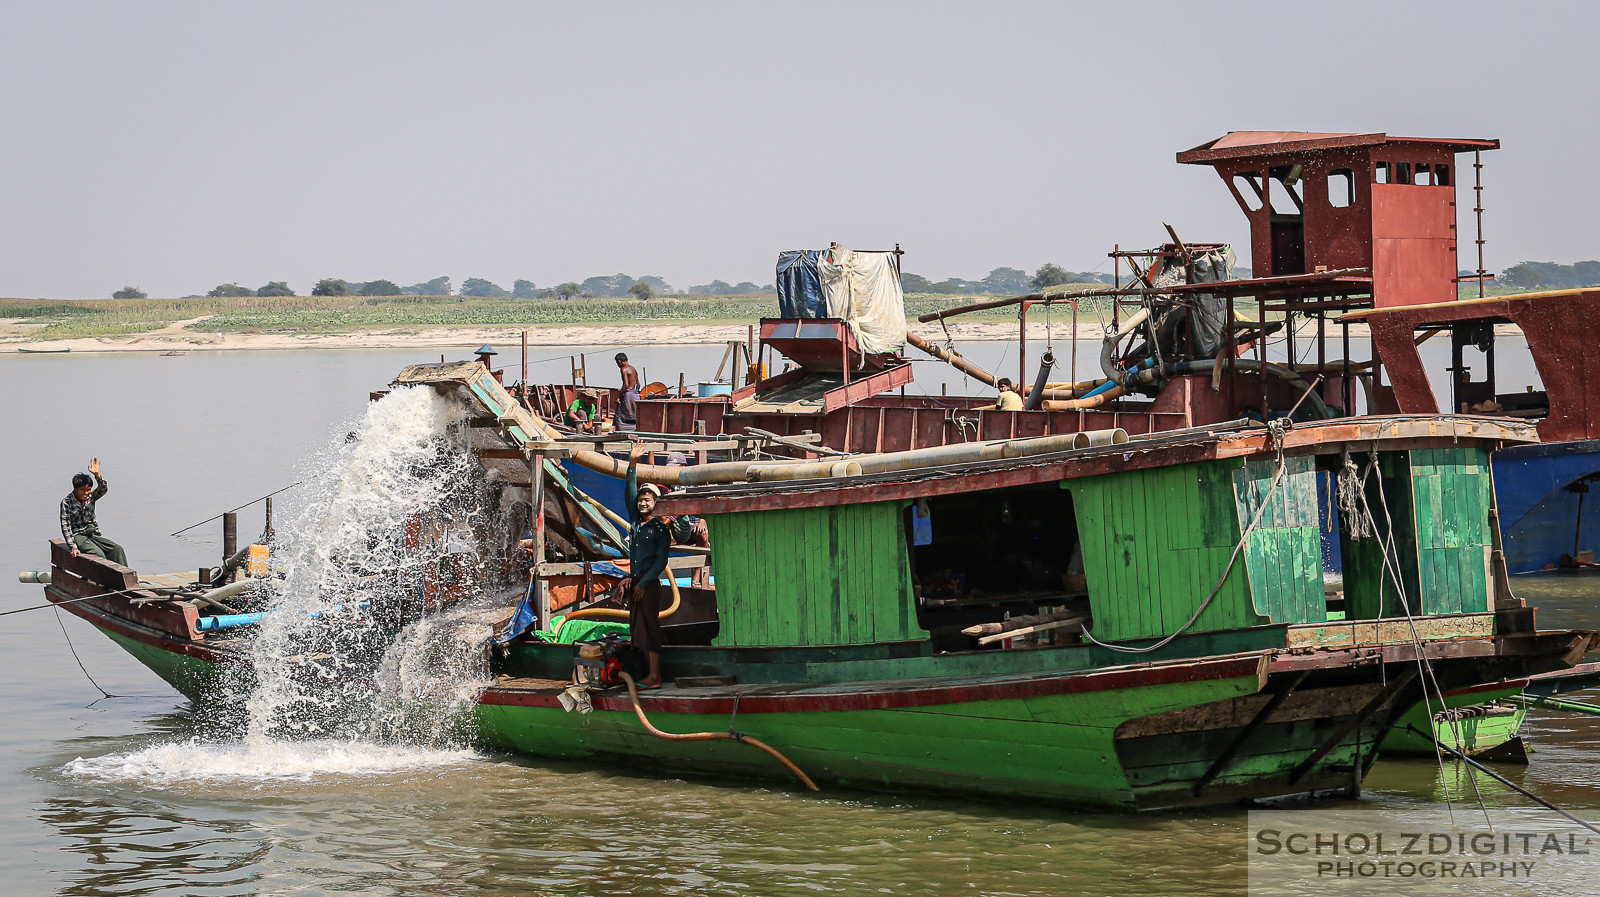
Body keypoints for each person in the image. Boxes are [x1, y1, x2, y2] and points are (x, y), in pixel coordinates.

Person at [624, 441, 672, 688]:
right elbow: (629, 492)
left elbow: (661, 562)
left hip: (649, 585)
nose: (643, 502)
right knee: (637, 630)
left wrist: (642, 584)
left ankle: (655, 676)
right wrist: (632, 463)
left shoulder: (659, 529)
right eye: (641, 499)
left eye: (648, 500)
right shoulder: (635, 523)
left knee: (651, 628)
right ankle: (646, 673)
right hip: (637, 583)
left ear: (656, 503)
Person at [60, 458, 127, 566]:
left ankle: (125, 578)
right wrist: (73, 547)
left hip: (92, 534)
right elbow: (65, 527)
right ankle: (104, 580)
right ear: (75, 489)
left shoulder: (91, 497)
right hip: (78, 535)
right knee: (99, 554)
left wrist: (97, 475)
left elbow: (103, 489)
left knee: (117, 550)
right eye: (83, 490)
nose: (86, 493)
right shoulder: (66, 503)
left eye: (89, 489)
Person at [615, 353, 640, 432]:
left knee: (619, 415)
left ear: (619, 361)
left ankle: (621, 432)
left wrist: (619, 396)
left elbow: (626, 385)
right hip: (635, 394)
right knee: (634, 415)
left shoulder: (624, 369)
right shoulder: (633, 369)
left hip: (628, 395)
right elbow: (638, 384)